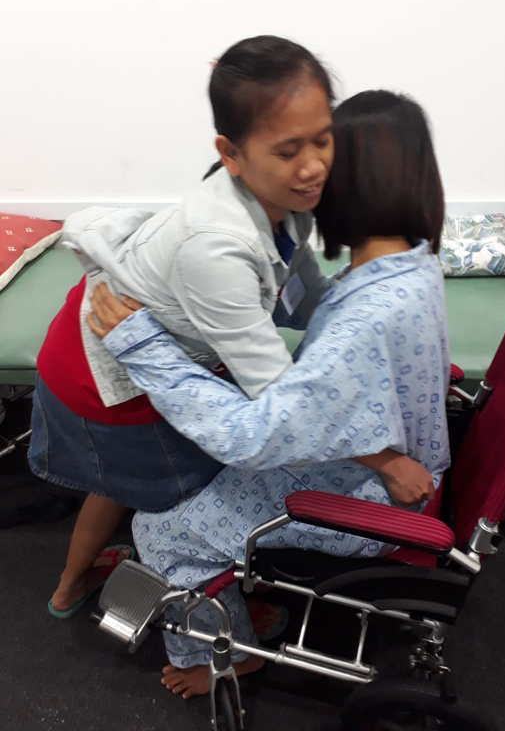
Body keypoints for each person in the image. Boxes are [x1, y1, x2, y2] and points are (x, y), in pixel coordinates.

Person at [28, 37, 426, 619]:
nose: (313, 166)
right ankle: (218, 613)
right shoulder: (217, 248)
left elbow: (302, 290)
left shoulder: (285, 198)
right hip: (108, 373)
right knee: (186, 497)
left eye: (323, 139)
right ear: (231, 154)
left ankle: (72, 583)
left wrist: (361, 310)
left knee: (122, 479)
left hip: (123, 339)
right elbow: (281, 404)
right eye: (287, 150)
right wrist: (386, 461)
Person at [87, 89, 449, 699]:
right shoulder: (408, 264)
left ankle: (226, 657)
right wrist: (264, 269)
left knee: (160, 527)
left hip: (359, 499)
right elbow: (320, 306)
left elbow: (250, 436)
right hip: (389, 460)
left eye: (320, 157)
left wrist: (140, 344)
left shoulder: (364, 321)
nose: (306, 174)